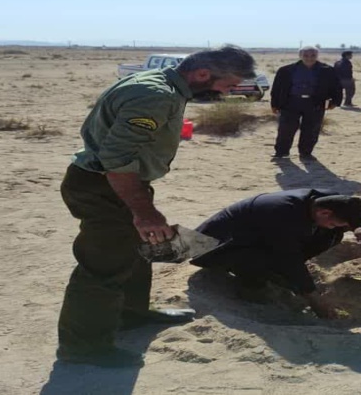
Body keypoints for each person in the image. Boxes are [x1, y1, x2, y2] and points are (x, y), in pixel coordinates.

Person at [57, 45, 257, 368]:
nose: (228, 92)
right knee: (102, 266)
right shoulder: (156, 96)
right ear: (203, 74)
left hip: (117, 182)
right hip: (103, 185)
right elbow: (117, 159)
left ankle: (132, 315)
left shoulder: (163, 84)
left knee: (137, 251)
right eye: (229, 84)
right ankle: (82, 347)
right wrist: (144, 211)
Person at [189, 189, 361, 318]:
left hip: (253, 236)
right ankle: (251, 289)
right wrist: (314, 299)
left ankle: (278, 275)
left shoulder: (323, 199)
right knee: (263, 260)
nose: (336, 229)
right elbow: (288, 257)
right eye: (333, 222)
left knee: (332, 235)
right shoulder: (282, 213)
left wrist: (359, 228)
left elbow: (350, 205)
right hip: (209, 247)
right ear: (324, 213)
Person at [270, 46, 342, 161]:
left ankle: (305, 153)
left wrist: (335, 101)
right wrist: (274, 104)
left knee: (311, 129)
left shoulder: (327, 70)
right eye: (306, 55)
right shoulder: (286, 70)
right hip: (290, 102)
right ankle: (281, 152)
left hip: (315, 103)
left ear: (317, 56)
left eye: (313, 55)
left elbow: (336, 87)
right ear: (300, 56)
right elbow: (276, 89)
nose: (309, 58)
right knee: (286, 128)